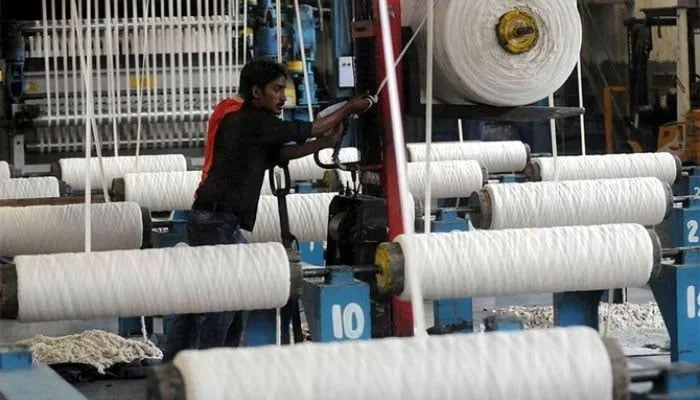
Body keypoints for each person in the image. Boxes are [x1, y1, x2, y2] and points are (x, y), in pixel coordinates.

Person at [163, 59, 375, 361]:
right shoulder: (249, 120)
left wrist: (325, 142)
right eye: (277, 89)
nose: (283, 97)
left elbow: (282, 153)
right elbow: (311, 127)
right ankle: (208, 371)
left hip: (214, 219)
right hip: (216, 221)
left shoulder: (245, 122)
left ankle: (176, 365)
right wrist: (350, 108)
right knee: (224, 301)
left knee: (205, 297)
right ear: (256, 92)